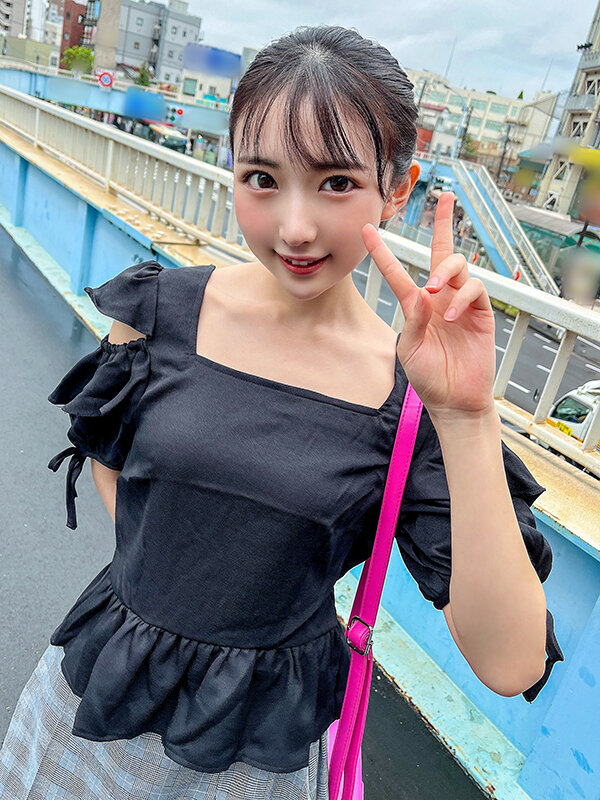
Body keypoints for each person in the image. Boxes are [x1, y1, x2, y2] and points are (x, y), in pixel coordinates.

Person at [0, 24, 563, 800]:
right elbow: (111, 461)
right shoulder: (159, 312)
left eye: (336, 183)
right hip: (94, 701)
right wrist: (171, 590)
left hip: (253, 755)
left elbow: (511, 663)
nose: (295, 227)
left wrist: (466, 415)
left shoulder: (410, 398)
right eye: (262, 178)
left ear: (398, 188)